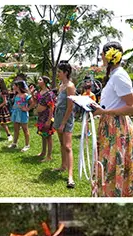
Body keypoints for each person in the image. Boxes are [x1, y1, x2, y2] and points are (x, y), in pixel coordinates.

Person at [91, 41, 133, 197]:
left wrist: (105, 112)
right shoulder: (114, 75)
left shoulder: (119, 76)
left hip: (116, 127)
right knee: (106, 166)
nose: (100, 57)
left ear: (109, 55)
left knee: (112, 167)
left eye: (102, 54)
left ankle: (111, 196)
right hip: (110, 125)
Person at [52, 61, 77, 189]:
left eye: (60, 72)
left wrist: (63, 123)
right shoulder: (61, 85)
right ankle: (63, 165)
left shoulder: (70, 86)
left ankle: (70, 176)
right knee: (61, 143)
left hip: (66, 118)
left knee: (67, 146)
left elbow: (70, 107)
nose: (58, 74)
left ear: (65, 72)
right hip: (58, 115)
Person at [31, 76, 56, 163]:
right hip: (40, 117)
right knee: (43, 135)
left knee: (48, 136)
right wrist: (31, 94)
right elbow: (35, 102)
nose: (38, 81)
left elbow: (52, 107)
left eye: (40, 79)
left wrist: (49, 120)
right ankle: (43, 152)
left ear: (45, 82)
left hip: (46, 117)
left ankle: (49, 156)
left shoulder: (49, 93)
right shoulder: (39, 92)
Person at [8, 80, 32, 152]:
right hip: (16, 113)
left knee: (25, 129)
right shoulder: (16, 95)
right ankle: (14, 143)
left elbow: (33, 103)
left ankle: (27, 145)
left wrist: (27, 109)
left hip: (22, 114)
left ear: (18, 86)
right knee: (16, 129)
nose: (13, 87)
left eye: (14, 85)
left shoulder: (26, 95)